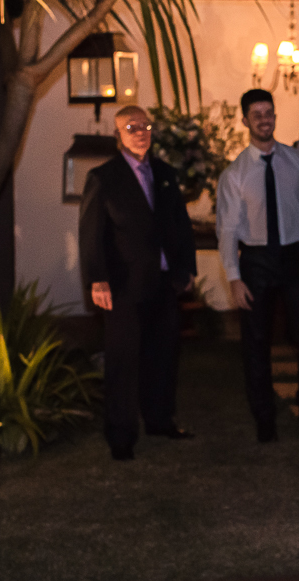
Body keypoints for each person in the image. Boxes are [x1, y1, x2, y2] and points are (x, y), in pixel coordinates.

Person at [79, 105, 197, 461]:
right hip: (123, 286)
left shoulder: (164, 173)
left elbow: (180, 224)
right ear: (118, 135)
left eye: (145, 126)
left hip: (163, 283)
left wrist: (186, 269)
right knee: (123, 362)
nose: (141, 132)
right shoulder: (103, 177)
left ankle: (160, 420)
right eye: (132, 127)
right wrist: (97, 280)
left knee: (163, 355)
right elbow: (91, 234)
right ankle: (121, 435)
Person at [217, 89, 299, 442]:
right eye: (257, 114)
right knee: (256, 342)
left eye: (269, 113)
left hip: (296, 257)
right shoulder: (234, 174)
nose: (264, 120)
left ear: (275, 116)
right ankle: (264, 417)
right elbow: (227, 230)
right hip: (256, 261)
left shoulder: (298, 161)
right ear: (245, 120)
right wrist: (234, 277)